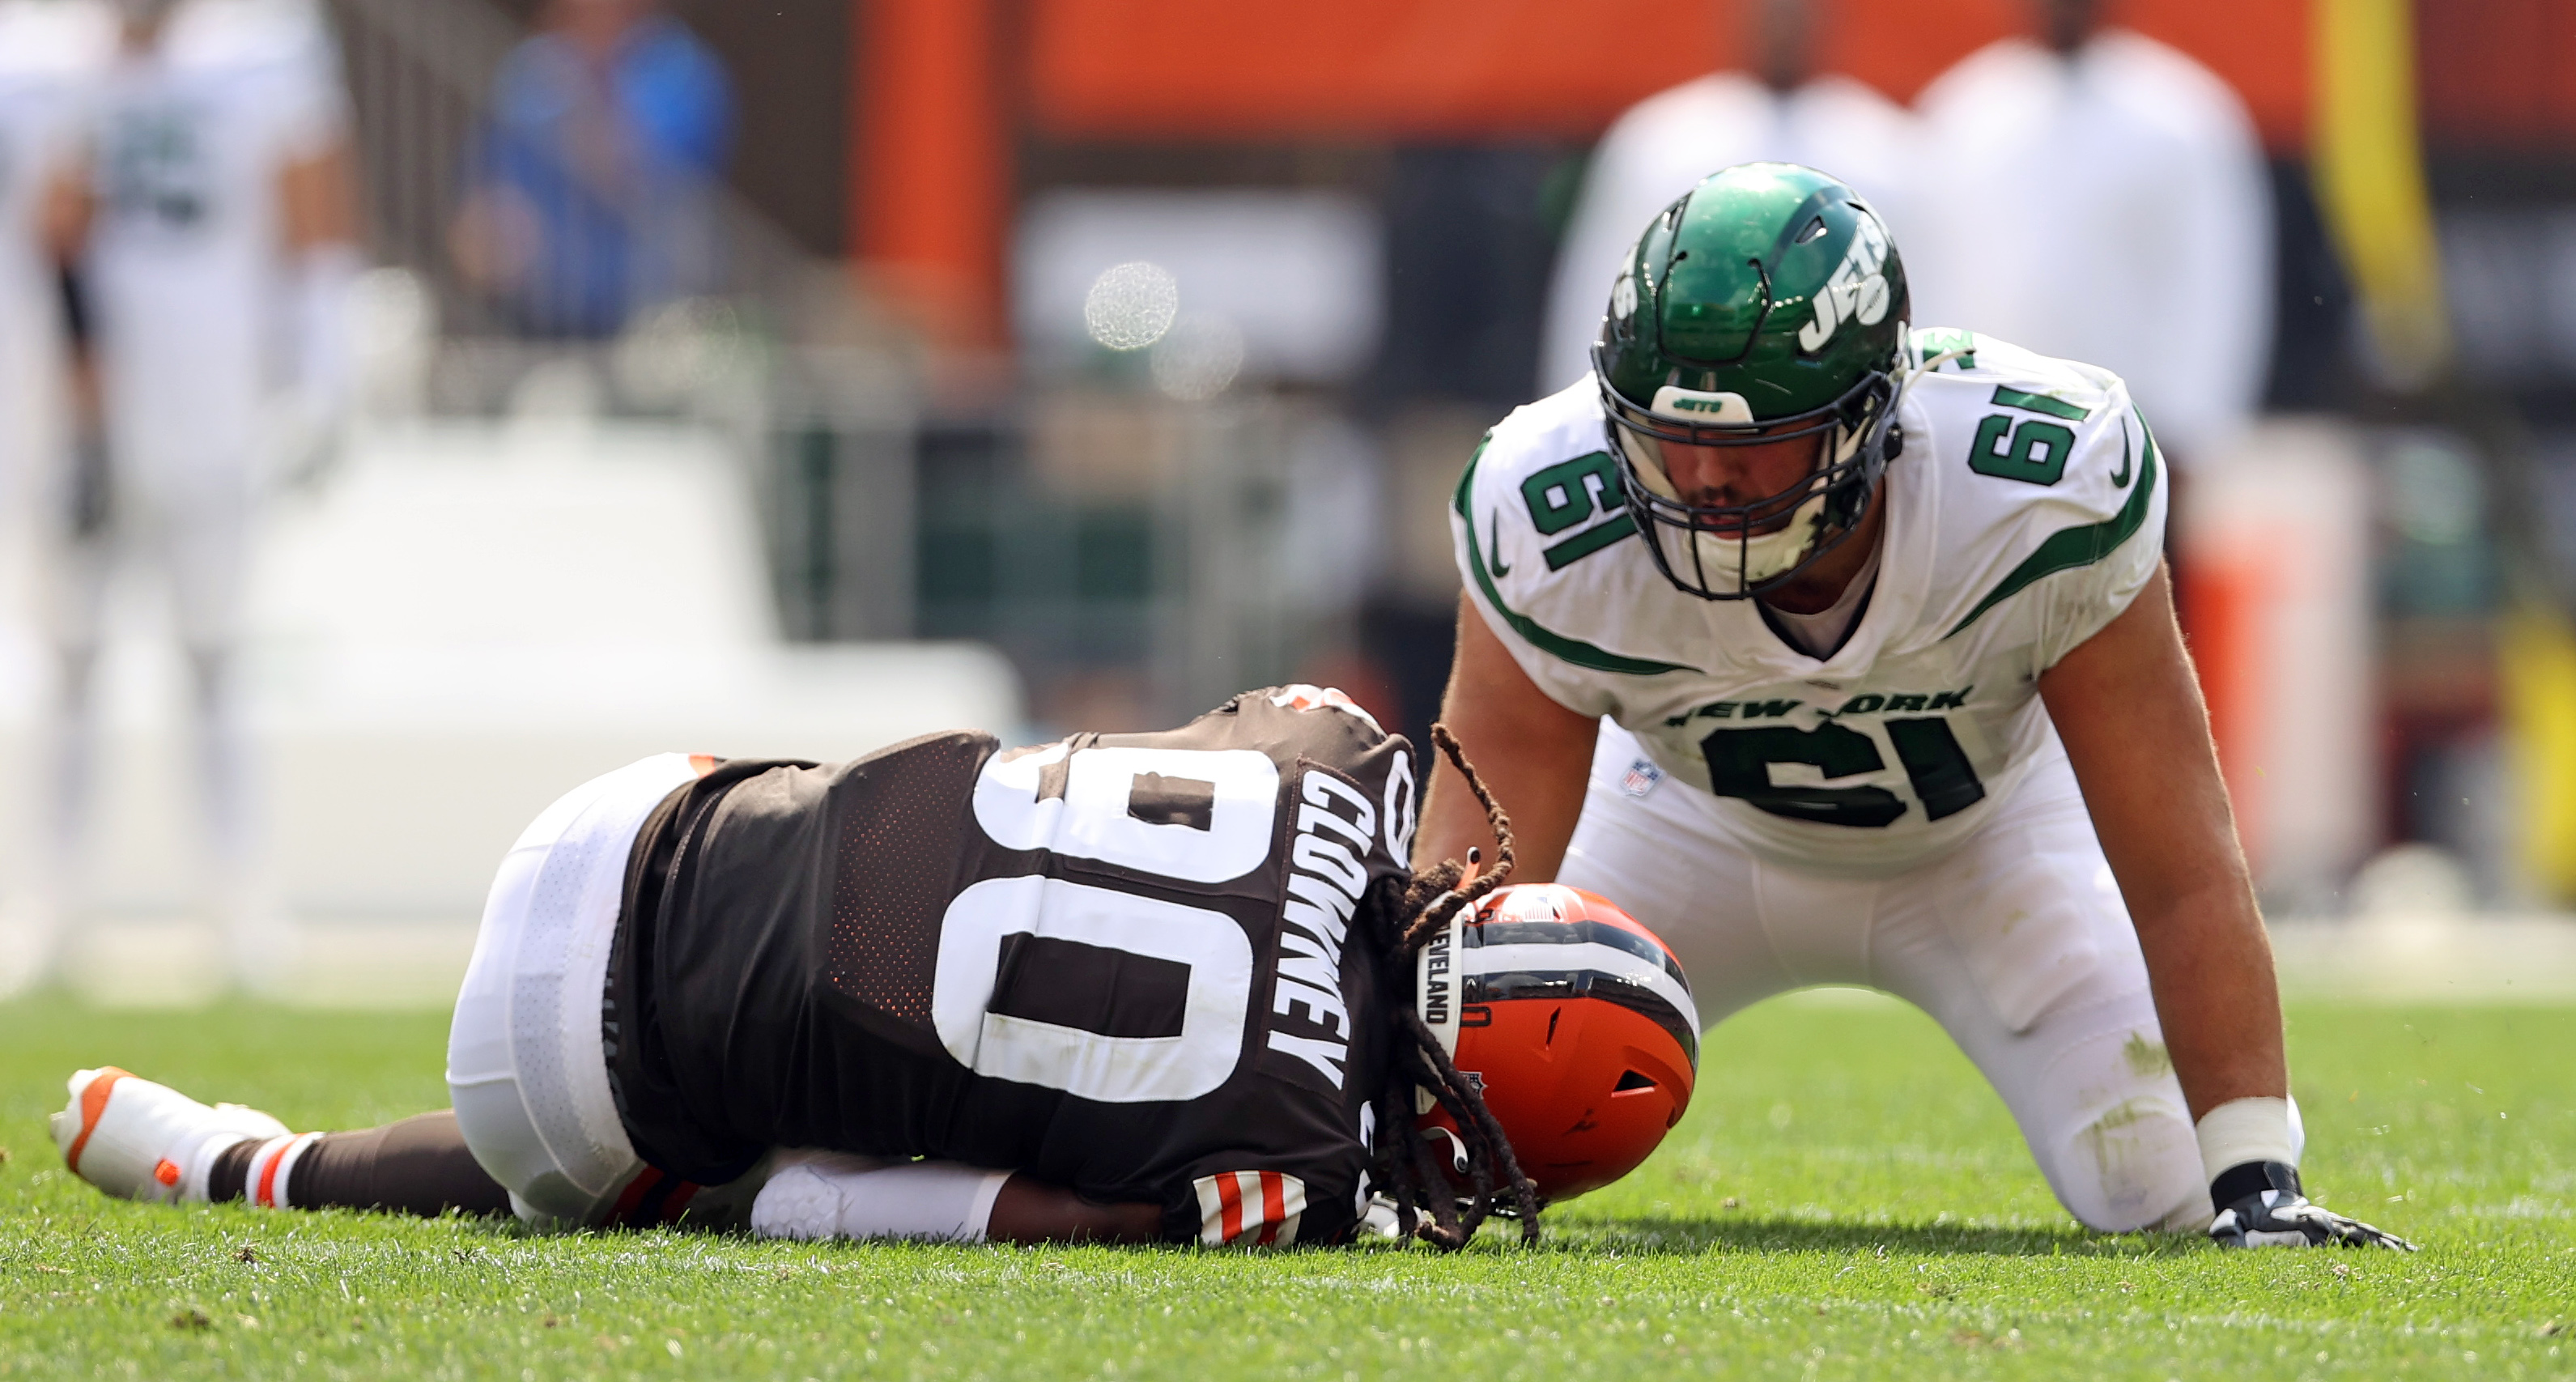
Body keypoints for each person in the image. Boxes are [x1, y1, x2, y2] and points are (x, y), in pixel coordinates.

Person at [1426, 163, 2408, 1251]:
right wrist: (1403, 1121)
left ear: (1868, 417)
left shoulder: (2036, 483)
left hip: (1984, 841)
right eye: (1667, 436)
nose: (1702, 479)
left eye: (1753, 443)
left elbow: (2179, 865)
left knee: (2166, 1170)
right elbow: (1467, 890)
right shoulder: (1545, 505)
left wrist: (2257, 1173)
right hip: (1677, 831)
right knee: (1461, 1146)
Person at [52, 687, 1702, 1248]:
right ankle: (247, 1165)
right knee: (763, 1149)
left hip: (629, 813)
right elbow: (1000, 1211)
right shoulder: (1301, 1171)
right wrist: (764, 1198)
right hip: (565, 1085)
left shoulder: (1332, 760)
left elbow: (1249, 730)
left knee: (895, 833)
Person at [32, 0, 358, 988]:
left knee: (215, 657)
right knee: (73, 657)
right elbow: (52, 233)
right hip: (90, 411)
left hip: (212, 404)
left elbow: (312, 215)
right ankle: (51, 901)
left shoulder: (260, 55)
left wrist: (318, 369)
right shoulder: (53, 62)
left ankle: (238, 899)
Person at [1904, 0, 2270, 469]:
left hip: (2135, 435)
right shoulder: (1963, 116)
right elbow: (1931, 274)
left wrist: (2193, 425)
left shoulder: (2180, 117)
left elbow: (2217, 282)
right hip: (1983, 431)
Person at [1537, 0, 1916, 397]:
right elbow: (1604, 291)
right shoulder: (1659, 144)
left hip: (1844, 394)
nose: (1782, 27)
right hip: (1685, 391)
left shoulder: (1885, 152)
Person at [448, 0, 733, 340]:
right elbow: (489, 183)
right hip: (541, 314)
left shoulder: (680, 70)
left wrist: (592, 78)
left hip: (651, 312)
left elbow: (630, 169)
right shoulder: (530, 69)